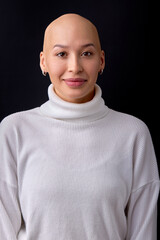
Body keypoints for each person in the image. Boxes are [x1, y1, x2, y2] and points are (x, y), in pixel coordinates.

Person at [0, 13, 159, 240]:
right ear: (43, 61)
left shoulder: (134, 134)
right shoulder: (13, 131)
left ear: (101, 60)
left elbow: (143, 232)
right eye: (61, 54)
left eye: (86, 53)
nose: (74, 67)